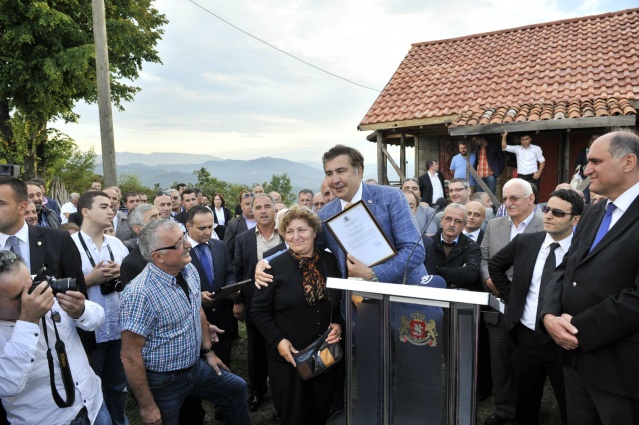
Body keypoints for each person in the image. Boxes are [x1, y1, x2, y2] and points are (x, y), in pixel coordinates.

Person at [540, 131, 639, 424]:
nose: (586, 170)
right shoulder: (594, 213)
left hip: (621, 369)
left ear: (628, 162)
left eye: (595, 161)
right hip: (575, 364)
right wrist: (548, 316)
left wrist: (574, 330)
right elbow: (565, 268)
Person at [120, 219, 249, 425]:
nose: (188, 245)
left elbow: (196, 309)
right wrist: (147, 406)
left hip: (195, 368)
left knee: (236, 388)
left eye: (184, 238)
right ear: (158, 256)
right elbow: (129, 355)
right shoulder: (140, 293)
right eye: (178, 243)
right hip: (163, 381)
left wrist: (208, 352)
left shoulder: (188, 270)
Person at [489, 189, 583, 425]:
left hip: (564, 341)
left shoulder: (583, 251)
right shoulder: (526, 241)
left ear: (575, 220)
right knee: (525, 403)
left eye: (558, 212)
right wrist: (514, 297)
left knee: (571, 405)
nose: (549, 215)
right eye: (546, 209)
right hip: (526, 336)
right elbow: (496, 266)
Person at [251, 207, 343, 425]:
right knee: (294, 417)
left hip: (324, 357)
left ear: (314, 232)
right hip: (289, 360)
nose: (296, 236)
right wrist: (278, 341)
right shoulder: (272, 268)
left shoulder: (330, 264)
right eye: (289, 231)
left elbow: (339, 304)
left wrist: (339, 325)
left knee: (321, 413)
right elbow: (258, 311)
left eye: (302, 230)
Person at [0, 250, 111, 425]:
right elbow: (7, 385)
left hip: (93, 406)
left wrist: (81, 311)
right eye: (17, 296)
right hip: (48, 420)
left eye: (30, 286)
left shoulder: (41, 286)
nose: (31, 296)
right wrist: (28, 320)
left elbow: (98, 319)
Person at [480, 178, 544, 425]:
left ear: (531, 199)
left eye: (514, 198)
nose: (508, 203)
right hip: (498, 305)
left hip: (530, 309)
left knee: (529, 366)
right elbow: (484, 258)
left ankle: (528, 413)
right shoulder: (495, 224)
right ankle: (505, 410)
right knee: (500, 362)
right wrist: (489, 282)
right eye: (505, 198)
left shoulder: (545, 225)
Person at [71, 191, 131, 425]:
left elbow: (131, 283)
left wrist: (121, 274)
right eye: (104, 206)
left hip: (118, 329)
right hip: (87, 334)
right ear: (85, 212)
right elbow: (60, 289)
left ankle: (120, 420)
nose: (111, 210)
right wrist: (90, 279)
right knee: (91, 390)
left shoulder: (116, 244)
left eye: (112, 206)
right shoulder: (69, 245)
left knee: (118, 386)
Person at [233, 194, 283, 411]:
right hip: (255, 302)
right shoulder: (243, 239)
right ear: (251, 211)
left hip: (283, 302)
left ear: (274, 209)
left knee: (282, 346)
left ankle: (282, 392)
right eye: (258, 207)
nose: (263, 211)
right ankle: (257, 392)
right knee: (256, 350)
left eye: (267, 207)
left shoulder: (286, 234)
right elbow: (238, 270)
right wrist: (239, 300)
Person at [428, 203, 480, 289]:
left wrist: (436, 269)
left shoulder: (472, 246)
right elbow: (422, 271)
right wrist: (455, 278)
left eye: (458, 221)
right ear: (442, 221)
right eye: (448, 219)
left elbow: (471, 274)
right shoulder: (428, 243)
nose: (452, 224)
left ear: (464, 225)